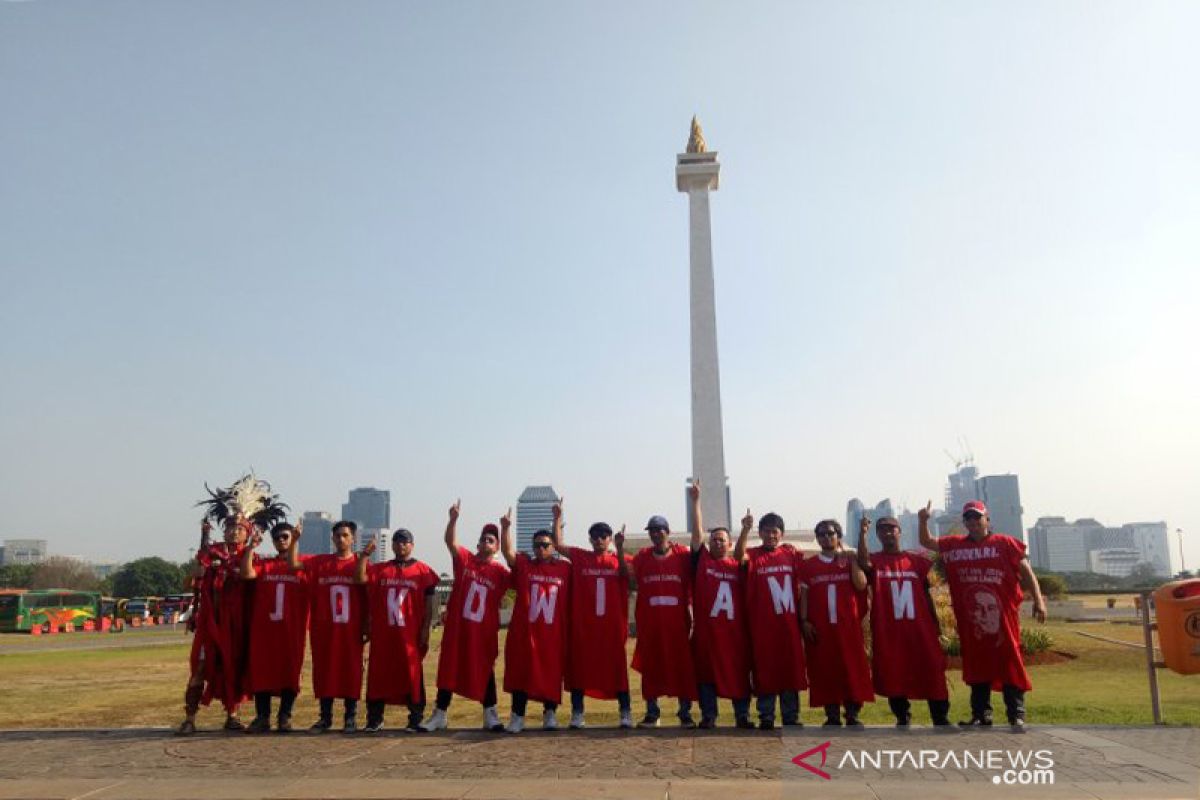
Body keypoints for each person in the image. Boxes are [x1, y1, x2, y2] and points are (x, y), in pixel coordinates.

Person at [919, 500, 1047, 732]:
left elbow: (1026, 572)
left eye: (977, 517)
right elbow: (927, 542)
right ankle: (981, 714)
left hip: (1003, 617)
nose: (972, 522)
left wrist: (1038, 600)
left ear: (987, 519)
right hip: (971, 620)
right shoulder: (954, 545)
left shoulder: (1005, 543)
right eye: (968, 518)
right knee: (977, 665)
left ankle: (1016, 714)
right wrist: (922, 520)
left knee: (1009, 663)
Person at [419, 502, 511, 733]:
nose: (486, 542)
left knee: (485, 669)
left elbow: (517, 570)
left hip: (483, 631)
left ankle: (490, 713)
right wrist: (453, 519)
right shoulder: (466, 560)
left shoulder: (500, 572)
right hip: (459, 628)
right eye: (483, 539)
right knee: (449, 668)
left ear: (497, 546)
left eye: (492, 539)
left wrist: (506, 529)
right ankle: (440, 713)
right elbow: (451, 542)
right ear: (478, 543)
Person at [856, 514, 950, 727]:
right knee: (893, 672)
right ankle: (902, 716)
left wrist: (936, 625)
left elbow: (927, 595)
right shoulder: (876, 561)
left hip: (919, 627)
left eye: (892, 529)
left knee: (932, 669)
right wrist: (862, 534)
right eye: (883, 530)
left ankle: (940, 717)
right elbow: (863, 563)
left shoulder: (916, 561)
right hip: (888, 629)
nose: (888, 533)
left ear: (899, 531)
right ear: (878, 534)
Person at [551, 499, 633, 729]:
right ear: (590, 539)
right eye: (595, 536)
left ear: (609, 538)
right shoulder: (581, 557)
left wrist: (619, 547)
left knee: (617, 671)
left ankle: (625, 711)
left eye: (603, 535)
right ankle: (577, 713)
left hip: (611, 628)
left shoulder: (620, 559)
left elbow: (630, 575)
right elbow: (558, 545)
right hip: (584, 627)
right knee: (579, 669)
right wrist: (558, 517)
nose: (599, 539)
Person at [618, 513, 697, 728]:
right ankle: (652, 712)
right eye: (651, 531)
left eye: (659, 530)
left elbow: (698, 547)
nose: (655, 534)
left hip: (677, 624)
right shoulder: (643, 556)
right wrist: (618, 548)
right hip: (650, 624)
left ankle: (685, 713)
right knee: (651, 668)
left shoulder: (682, 555)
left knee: (682, 668)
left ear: (668, 532)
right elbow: (626, 574)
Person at [357, 528, 438, 733]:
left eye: (405, 542)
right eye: (397, 541)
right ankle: (375, 718)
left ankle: (415, 717)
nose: (401, 545)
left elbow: (429, 603)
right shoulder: (381, 569)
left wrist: (426, 628)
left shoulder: (423, 571)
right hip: (384, 633)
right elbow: (359, 579)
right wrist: (365, 555)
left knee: (412, 674)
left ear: (412, 545)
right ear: (392, 545)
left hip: (409, 632)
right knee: (379, 675)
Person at [177, 516, 253, 734]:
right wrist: (198, 568)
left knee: (233, 668)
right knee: (200, 668)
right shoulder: (210, 553)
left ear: (247, 533)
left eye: (240, 528)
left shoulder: (249, 556)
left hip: (235, 624)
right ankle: (190, 718)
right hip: (209, 624)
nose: (234, 531)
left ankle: (232, 715)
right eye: (230, 527)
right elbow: (191, 581)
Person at [688, 482, 753, 728]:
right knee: (706, 675)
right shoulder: (702, 561)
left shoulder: (738, 565)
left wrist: (746, 530)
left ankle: (742, 715)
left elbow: (741, 553)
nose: (717, 543)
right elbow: (697, 535)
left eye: (721, 540)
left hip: (734, 633)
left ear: (729, 543)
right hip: (707, 633)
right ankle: (709, 715)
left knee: (737, 674)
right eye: (714, 539)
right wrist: (696, 502)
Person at [798, 519, 874, 728]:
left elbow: (861, 584)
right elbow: (804, 595)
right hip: (821, 629)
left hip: (848, 628)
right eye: (821, 534)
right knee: (825, 671)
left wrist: (853, 560)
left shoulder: (848, 560)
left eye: (830, 533)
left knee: (852, 669)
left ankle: (852, 713)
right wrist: (803, 621)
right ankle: (831, 715)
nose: (826, 537)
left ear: (838, 536)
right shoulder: (808, 566)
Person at [734, 510, 806, 729]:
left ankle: (790, 716)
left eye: (775, 531)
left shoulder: (790, 553)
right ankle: (766, 715)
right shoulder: (753, 554)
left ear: (781, 534)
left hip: (788, 624)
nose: (771, 536)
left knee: (790, 670)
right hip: (762, 625)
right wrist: (745, 529)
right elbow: (738, 556)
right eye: (766, 531)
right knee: (765, 670)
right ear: (760, 533)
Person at [297, 520, 369, 733]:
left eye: (345, 535)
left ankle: (350, 717)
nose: (341, 539)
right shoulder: (320, 562)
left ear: (353, 538)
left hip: (351, 628)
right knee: (324, 671)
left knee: (351, 671)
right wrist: (295, 539)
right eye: (337, 535)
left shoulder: (360, 563)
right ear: (332, 538)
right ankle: (325, 717)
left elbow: (367, 594)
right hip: (325, 629)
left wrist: (367, 624)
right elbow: (293, 564)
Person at [501, 521, 571, 733]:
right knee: (521, 673)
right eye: (537, 545)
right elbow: (507, 553)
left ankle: (550, 713)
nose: (541, 549)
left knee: (551, 673)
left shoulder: (564, 569)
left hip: (551, 632)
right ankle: (517, 715)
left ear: (553, 547)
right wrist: (505, 528)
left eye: (545, 544)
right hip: (525, 632)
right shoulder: (525, 565)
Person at [240, 521, 310, 733]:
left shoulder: (304, 563)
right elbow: (246, 574)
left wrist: (296, 542)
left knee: (289, 672)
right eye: (278, 537)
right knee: (262, 672)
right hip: (265, 629)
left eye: (286, 537)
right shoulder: (265, 563)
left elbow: (295, 566)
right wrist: (250, 547)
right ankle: (263, 716)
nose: (282, 540)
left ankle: (285, 715)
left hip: (292, 629)